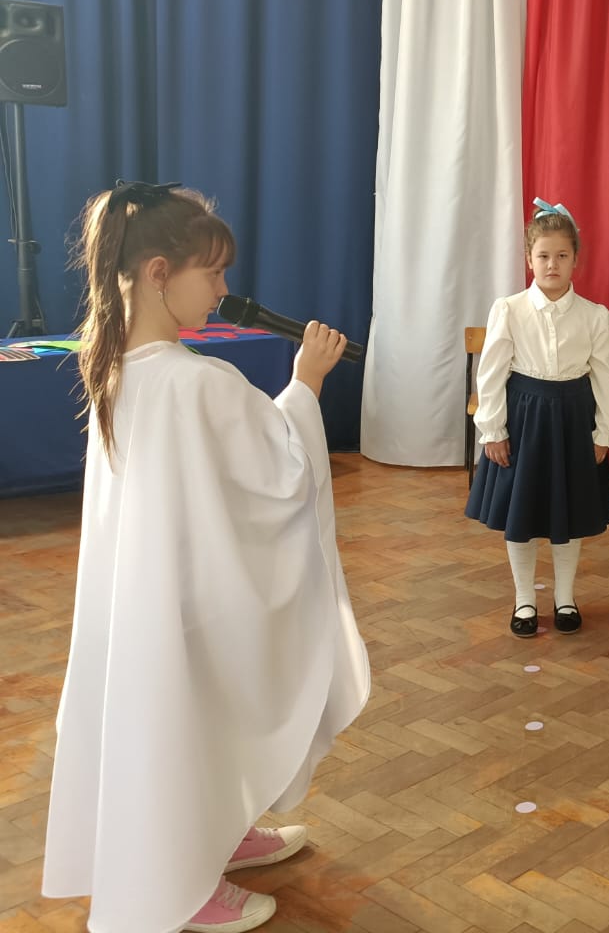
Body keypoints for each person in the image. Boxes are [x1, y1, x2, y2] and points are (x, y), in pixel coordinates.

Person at [42, 182, 369, 933]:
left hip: (154, 589)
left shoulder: (116, 366)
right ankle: (178, 884)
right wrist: (307, 382)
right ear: (159, 273)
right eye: (213, 272)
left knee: (197, 708)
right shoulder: (194, 381)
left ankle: (215, 831)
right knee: (187, 711)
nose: (224, 290)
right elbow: (283, 469)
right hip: (182, 592)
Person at [466, 199, 609, 637]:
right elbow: (491, 372)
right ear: (529, 259)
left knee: (569, 511)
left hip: (573, 419)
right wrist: (493, 429)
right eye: (544, 255)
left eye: (562, 255)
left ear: (575, 260)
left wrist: (604, 431)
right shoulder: (509, 309)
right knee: (523, 511)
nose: (552, 264)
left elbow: (604, 378)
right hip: (524, 419)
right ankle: (524, 600)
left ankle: (565, 597)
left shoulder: (595, 316)